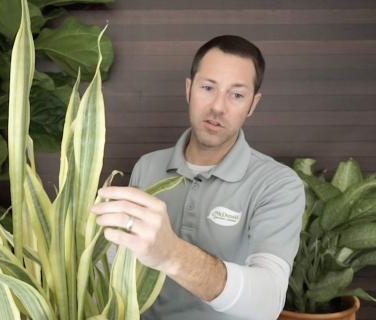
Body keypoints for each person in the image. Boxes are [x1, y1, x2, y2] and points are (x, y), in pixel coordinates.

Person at [91, 35, 305, 320]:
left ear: (253, 105)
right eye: (208, 88)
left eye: (237, 95)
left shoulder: (278, 184)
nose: (218, 107)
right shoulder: (149, 166)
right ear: (189, 89)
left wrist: (172, 254)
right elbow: (121, 264)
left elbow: (267, 302)